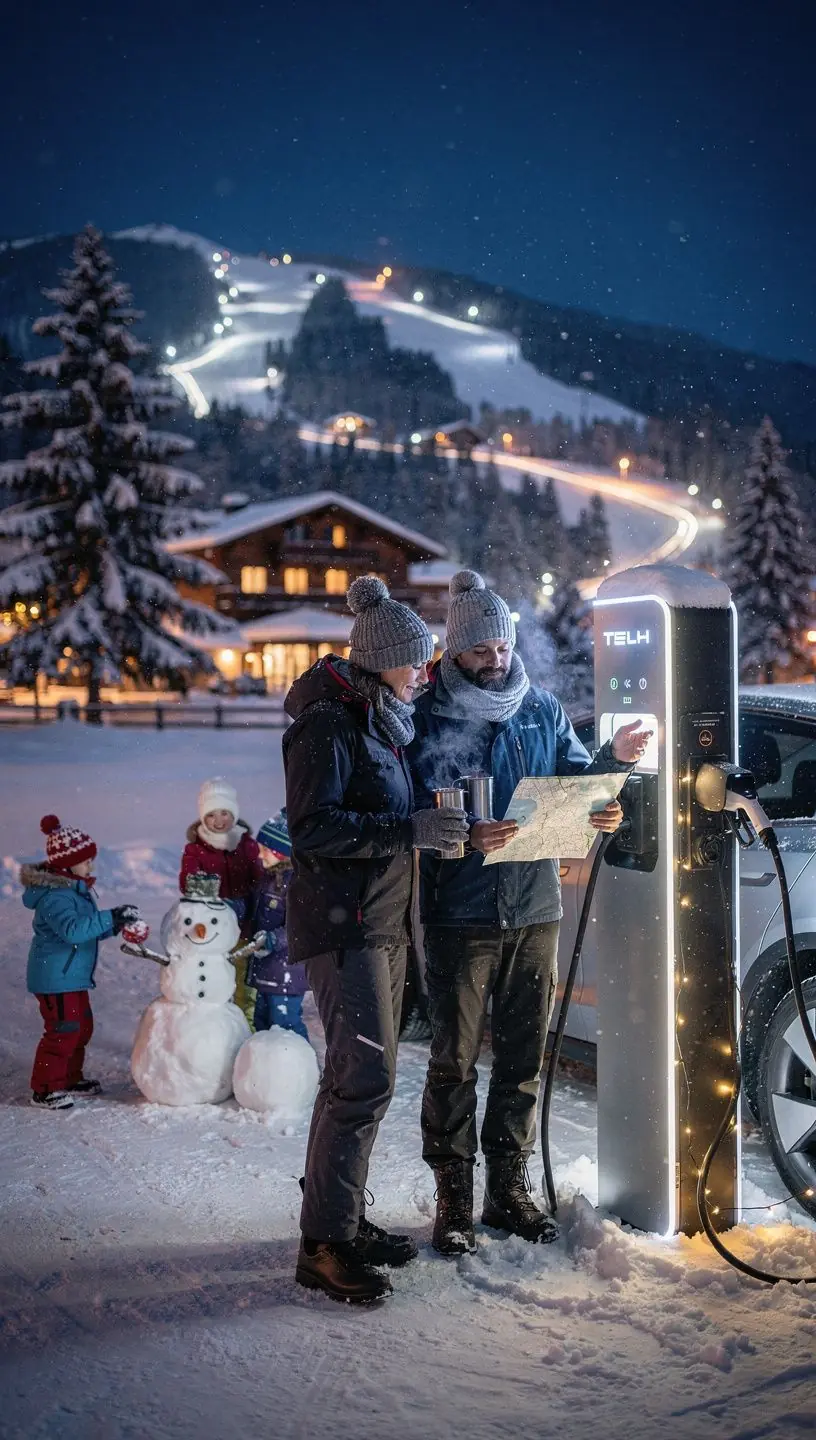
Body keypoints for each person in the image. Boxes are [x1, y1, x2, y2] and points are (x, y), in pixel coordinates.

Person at [408, 569, 651, 1255]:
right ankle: (453, 1195)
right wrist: (455, 834)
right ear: (455, 652)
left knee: (522, 1059)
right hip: (459, 913)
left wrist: (606, 790)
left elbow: (574, 783)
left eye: (503, 648)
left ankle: (507, 1189)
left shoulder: (539, 708)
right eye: (481, 651)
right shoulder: (425, 720)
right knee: (454, 1061)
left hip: (536, 908)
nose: (496, 661)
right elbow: (405, 810)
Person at [283, 575, 469, 1304]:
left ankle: (340, 1220)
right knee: (361, 1083)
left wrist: (423, 821)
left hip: (380, 925)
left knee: (361, 1083)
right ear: (380, 659)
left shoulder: (378, 719)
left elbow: (370, 813)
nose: (425, 672)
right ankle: (324, 1246)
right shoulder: (330, 722)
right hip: (347, 927)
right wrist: (408, 829)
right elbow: (314, 828)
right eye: (415, 662)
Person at [22, 814, 138, 1110]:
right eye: (86, 860)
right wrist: (109, 916)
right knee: (63, 1028)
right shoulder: (55, 896)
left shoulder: (75, 892)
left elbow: (86, 931)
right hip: (55, 978)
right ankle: (45, 1089)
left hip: (70, 976)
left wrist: (115, 925)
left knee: (81, 1027)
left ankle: (69, 1078)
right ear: (66, 863)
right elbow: (72, 930)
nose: (91, 866)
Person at [180, 778, 264, 1025]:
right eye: (211, 815)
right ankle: (215, 1030)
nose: (219, 821)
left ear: (234, 814)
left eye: (225, 813)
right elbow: (188, 885)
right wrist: (211, 894)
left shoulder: (246, 844)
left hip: (245, 927)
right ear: (202, 818)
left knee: (244, 984)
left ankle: (245, 1031)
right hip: (213, 932)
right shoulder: (195, 849)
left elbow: (258, 881)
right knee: (216, 981)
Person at [247, 811, 310, 1042]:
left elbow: (301, 926)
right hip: (267, 967)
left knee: (285, 1026)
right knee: (263, 1022)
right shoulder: (269, 879)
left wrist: (273, 939)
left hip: (286, 971)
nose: (260, 854)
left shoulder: (297, 883)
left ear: (280, 852)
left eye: (265, 848)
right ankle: (268, 1072)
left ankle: (304, 1074)